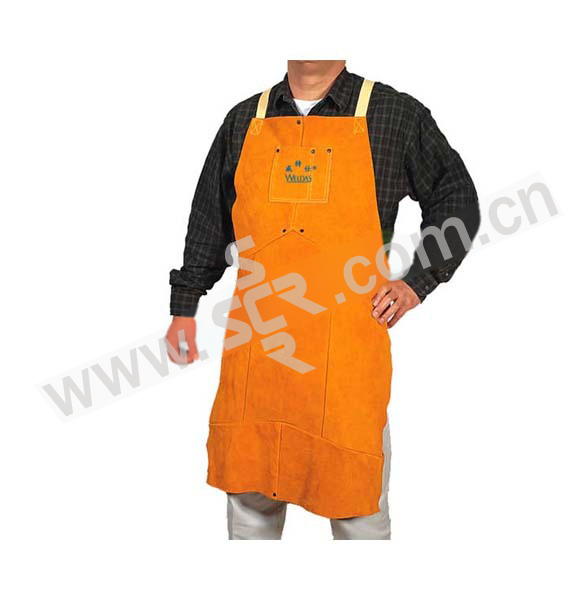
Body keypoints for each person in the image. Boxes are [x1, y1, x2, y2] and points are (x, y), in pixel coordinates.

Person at [167, 60, 480, 540]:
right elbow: (209, 218)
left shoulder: (392, 114)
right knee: (250, 508)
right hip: (258, 353)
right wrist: (184, 307)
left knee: (358, 514)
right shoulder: (244, 120)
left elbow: (456, 197)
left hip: (346, 357)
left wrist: (417, 282)